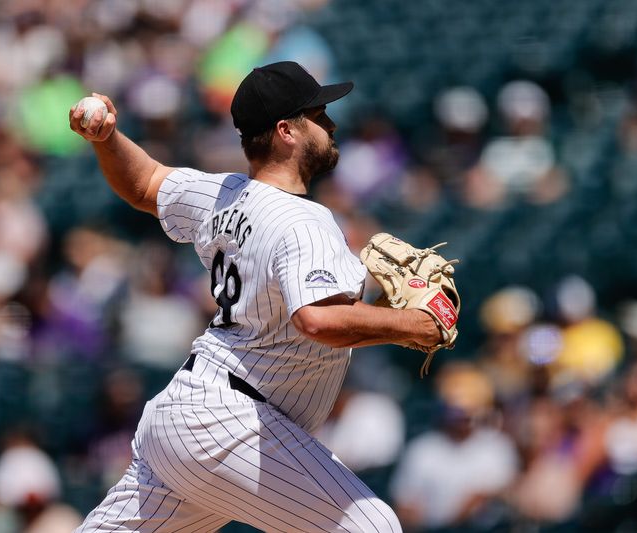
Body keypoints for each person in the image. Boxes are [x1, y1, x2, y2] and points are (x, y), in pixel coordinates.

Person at [69, 61, 441, 532]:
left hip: (189, 418)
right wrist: (416, 324)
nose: (331, 125)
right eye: (319, 115)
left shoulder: (223, 194)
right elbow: (318, 322)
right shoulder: (306, 221)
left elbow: (144, 184)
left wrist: (107, 141)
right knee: (371, 527)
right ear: (287, 130)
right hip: (230, 424)